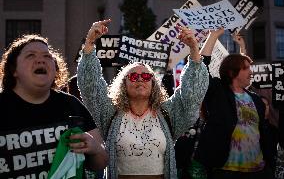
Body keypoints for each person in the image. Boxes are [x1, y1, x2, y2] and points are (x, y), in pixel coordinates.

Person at [77, 19, 209, 179]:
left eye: (146, 75)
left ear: (154, 84)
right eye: (133, 75)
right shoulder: (109, 113)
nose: (140, 79)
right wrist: (90, 43)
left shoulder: (168, 114)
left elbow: (192, 95)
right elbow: (91, 88)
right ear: (123, 84)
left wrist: (194, 49)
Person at [0, 34, 108, 178]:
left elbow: (101, 162)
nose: (40, 60)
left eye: (47, 56)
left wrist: (94, 148)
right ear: (14, 70)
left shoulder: (72, 105)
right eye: (30, 55)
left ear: (55, 69)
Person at [193, 28, 277, 179]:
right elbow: (200, 70)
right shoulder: (218, 93)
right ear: (232, 73)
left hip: (259, 172)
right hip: (226, 172)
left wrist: (270, 165)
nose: (251, 73)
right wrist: (213, 36)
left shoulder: (256, 99)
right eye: (246, 69)